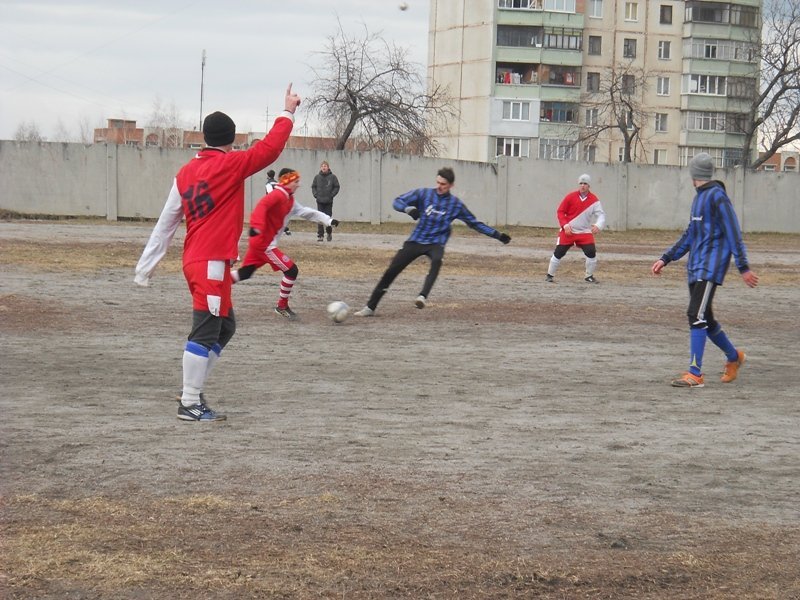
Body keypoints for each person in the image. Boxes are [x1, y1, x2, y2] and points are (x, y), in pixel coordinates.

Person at [133, 84, 302, 422]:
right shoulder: (230, 164)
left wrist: (146, 265)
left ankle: (190, 392)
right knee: (207, 329)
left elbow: (167, 222)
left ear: (205, 138)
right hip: (210, 261)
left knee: (225, 327)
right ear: (231, 138)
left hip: (203, 261)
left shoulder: (185, 173)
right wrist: (287, 112)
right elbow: (269, 150)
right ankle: (190, 402)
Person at [651, 152, 759, 388]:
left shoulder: (717, 197)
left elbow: (734, 233)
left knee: (696, 315)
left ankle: (695, 373)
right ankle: (734, 357)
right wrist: (666, 257)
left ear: (693, 174)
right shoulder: (698, 198)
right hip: (696, 266)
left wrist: (743, 267)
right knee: (705, 318)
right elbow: (690, 235)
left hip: (710, 267)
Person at [354, 167, 511, 316]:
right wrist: (408, 209)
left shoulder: (455, 204)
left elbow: (474, 224)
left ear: (451, 185)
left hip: (436, 243)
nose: (439, 186)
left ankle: (422, 296)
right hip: (416, 240)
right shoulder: (424, 194)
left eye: (443, 184)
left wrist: (497, 235)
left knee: (437, 260)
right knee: (391, 271)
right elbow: (397, 201)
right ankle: (370, 307)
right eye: (438, 182)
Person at [232, 168, 339, 320]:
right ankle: (282, 306)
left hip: (261, 243)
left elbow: (306, 212)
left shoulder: (290, 199)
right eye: (296, 182)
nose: (298, 185)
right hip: (265, 244)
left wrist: (328, 220)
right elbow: (261, 207)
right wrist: (256, 226)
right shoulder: (278, 194)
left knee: (245, 273)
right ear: (287, 181)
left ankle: (217, 285)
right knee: (291, 270)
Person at [545, 173, 606, 284]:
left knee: (591, 252)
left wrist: (598, 225)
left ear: (589, 186)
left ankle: (589, 276)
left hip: (584, 232)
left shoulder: (594, 200)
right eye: (581, 183)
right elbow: (560, 211)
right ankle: (550, 275)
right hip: (568, 231)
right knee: (559, 252)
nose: (582, 185)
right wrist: (565, 225)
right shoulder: (570, 197)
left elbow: (601, 215)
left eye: (585, 183)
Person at [311, 160, 340, 242]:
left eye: (325, 166)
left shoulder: (333, 177)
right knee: (319, 218)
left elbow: (337, 187)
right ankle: (320, 235)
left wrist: (331, 195)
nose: (324, 167)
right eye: (322, 166)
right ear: (321, 168)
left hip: (328, 201)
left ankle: (329, 233)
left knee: (327, 218)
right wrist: (315, 194)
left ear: (328, 167)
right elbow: (313, 187)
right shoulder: (317, 177)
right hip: (319, 201)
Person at [266, 169, 291, 236]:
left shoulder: (268, 183)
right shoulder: (276, 182)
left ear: (268, 176)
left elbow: (270, 193)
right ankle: (286, 230)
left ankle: (280, 230)